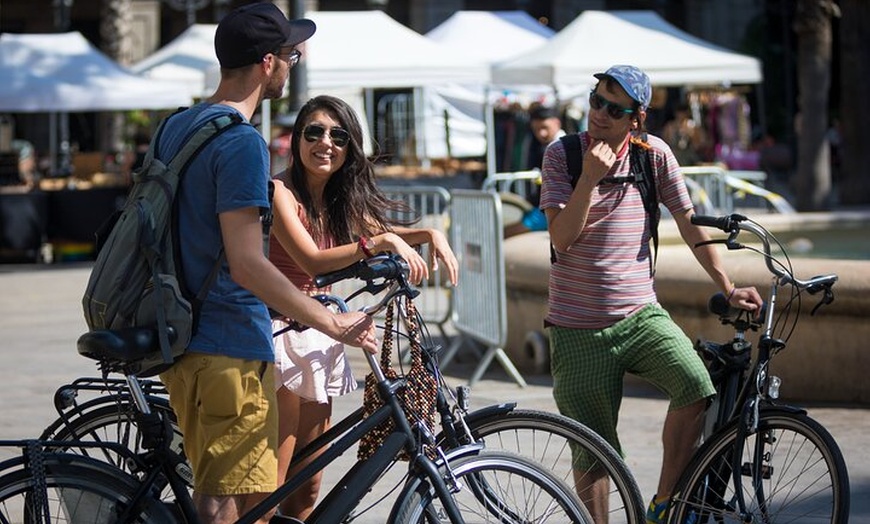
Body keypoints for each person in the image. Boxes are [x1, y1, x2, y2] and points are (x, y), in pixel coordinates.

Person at [155, 5, 378, 524]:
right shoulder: (240, 142)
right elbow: (248, 264)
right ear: (268, 63)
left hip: (181, 334)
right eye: (292, 56)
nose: (294, 65)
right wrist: (331, 321)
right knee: (229, 502)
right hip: (227, 343)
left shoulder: (179, 125)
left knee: (238, 492)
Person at [539, 65, 763, 523]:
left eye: (613, 108)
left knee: (695, 388)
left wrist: (727, 284)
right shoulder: (562, 155)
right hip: (576, 327)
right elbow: (561, 238)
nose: (599, 113)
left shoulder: (653, 155)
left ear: (636, 117)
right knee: (593, 449)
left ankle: (663, 505)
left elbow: (689, 223)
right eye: (596, 100)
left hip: (641, 315)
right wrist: (590, 180)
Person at [268, 94, 459, 520]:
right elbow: (312, 262)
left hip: (316, 333)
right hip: (278, 334)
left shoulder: (335, 199)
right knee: (272, 483)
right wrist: (380, 242)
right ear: (297, 139)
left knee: (308, 482)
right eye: (314, 132)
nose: (326, 143)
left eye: (338, 136)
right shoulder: (279, 192)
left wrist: (428, 233)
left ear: (350, 147)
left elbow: (379, 231)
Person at [504, 104, 565, 238]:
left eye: (544, 128)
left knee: (506, 232)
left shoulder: (564, 147)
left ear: (557, 123)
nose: (541, 133)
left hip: (556, 212)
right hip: (542, 208)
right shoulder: (542, 146)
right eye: (536, 129)